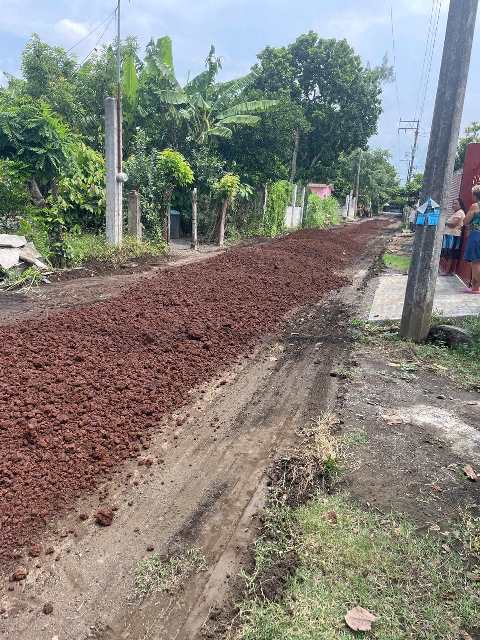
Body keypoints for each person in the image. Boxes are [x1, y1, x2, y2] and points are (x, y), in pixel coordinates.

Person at [440, 197, 466, 275]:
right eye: (453, 203)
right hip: (450, 236)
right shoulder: (456, 213)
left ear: (460, 205)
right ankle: (449, 270)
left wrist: (444, 221)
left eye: (455, 203)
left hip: (453, 237)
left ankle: (447, 271)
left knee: (450, 254)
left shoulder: (460, 213)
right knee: (447, 253)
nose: (453, 205)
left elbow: (453, 224)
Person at [463, 184, 480, 294]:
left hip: (477, 235)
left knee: (476, 262)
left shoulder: (475, 206)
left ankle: (475, 288)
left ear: (475, 195)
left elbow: (465, 221)